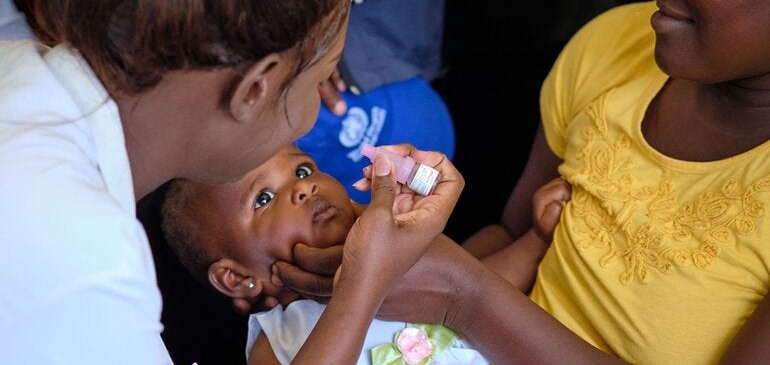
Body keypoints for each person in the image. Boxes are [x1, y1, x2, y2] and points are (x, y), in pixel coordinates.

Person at [268, 0, 770, 362]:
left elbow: (471, 290)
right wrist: (377, 272)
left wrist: (458, 291)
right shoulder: (615, 45)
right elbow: (514, 238)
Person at [0, 0, 463, 363]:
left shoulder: (15, 69)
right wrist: (371, 285)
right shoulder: (84, 262)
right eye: (322, 79)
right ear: (255, 88)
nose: (310, 122)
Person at [158, 144, 569, 364]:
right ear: (237, 277)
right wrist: (362, 285)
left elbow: (479, 286)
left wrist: (537, 239)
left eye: (302, 170)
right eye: (264, 198)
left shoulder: (404, 265)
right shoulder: (278, 339)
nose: (304, 188)